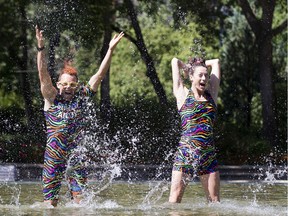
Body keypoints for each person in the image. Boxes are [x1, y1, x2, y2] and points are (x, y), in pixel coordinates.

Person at [36, 26, 124, 207]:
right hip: (53, 158)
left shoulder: (82, 97)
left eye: (72, 85)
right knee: (50, 205)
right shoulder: (52, 98)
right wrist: (40, 48)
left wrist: (110, 50)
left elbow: (99, 75)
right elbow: (43, 75)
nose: (68, 88)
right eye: (65, 84)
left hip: (76, 157)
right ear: (59, 84)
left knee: (80, 203)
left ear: (77, 86)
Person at [169, 56, 221, 203]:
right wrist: (188, 67)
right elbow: (174, 61)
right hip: (185, 155)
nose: (204, 78)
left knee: (215, 203)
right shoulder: (182, 94)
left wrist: (199, 65)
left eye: (206, 75)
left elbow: (216, 62)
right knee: (174, 200)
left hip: (208, 156)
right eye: (200, 75)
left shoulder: (212, 95)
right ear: (191, 77)